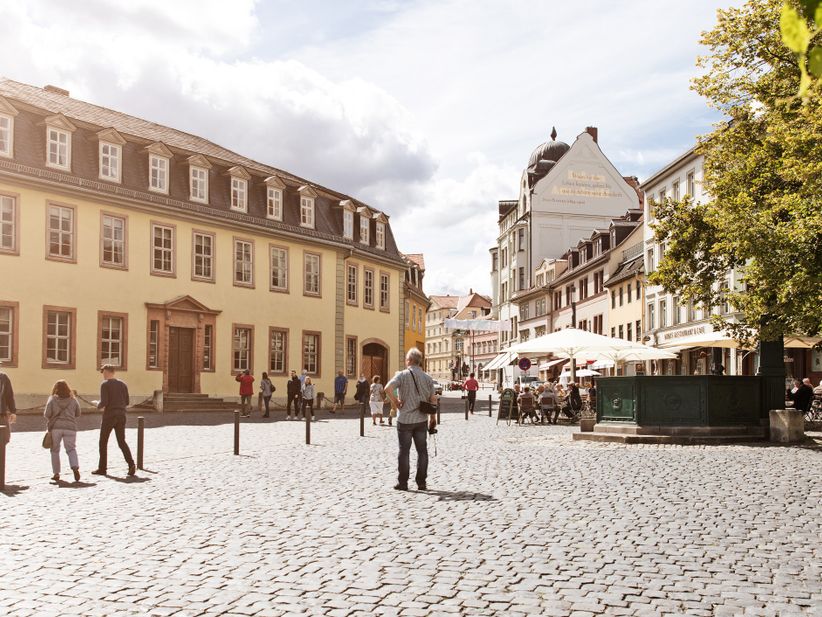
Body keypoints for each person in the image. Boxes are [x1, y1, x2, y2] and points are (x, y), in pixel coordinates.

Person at [384, 348, 438, 492]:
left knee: (404, 451)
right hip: (421, 420)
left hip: (404, 420)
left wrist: (396, 402)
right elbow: (433, 399)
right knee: (422, 451)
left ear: (409, 360)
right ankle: (421, 483)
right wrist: (433, 418)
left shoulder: (402, 375)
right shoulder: (427, 378)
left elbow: (387, 388)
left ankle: (403, 483)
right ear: (419, 361)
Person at [93, 364, 136, 477]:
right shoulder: (123, 384)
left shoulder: (105, 385)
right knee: (121, 441)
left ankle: (102, 468)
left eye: (103, 372)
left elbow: (104, 402)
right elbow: (127, 402)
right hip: (121, 415)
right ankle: (131, 464)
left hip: (109, 416)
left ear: (107, 372)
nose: (103, 374)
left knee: (103, 442)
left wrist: (97, 404)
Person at [44, 379, 81, 482]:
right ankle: (75, 467)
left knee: (55, 450)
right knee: (71, 449)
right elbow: (78, 413)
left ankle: (56, 474)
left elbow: (47, 414)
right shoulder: (73, 400)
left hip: (56, 427)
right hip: (70, 428)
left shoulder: (52, 399)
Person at [0, 362, 16, 445]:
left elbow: (9, 395)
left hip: (1, 414)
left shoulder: (3, 378)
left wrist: (13, 412)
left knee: (5, 437)